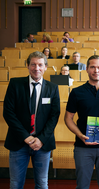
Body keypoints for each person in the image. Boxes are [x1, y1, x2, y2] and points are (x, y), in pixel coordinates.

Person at [3, 51, 60, 189]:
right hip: (18, 142)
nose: (36, 68)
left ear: (45, 66)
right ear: (27, 66)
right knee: (16, 184)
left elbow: (54, 116)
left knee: (42, 184)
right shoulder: (15, 84)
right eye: (33, 64)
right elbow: (8, 113)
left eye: (40, 65)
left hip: (42, 144)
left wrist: (40, 139)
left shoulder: (53, 88)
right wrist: (26, 137)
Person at [64, 55, 99, 189]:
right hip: (83, 146)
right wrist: (80, 135)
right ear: (87, 69)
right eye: (93, 67)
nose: (96, 70)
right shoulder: (77, 92)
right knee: (82, 186)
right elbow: (68, 118)